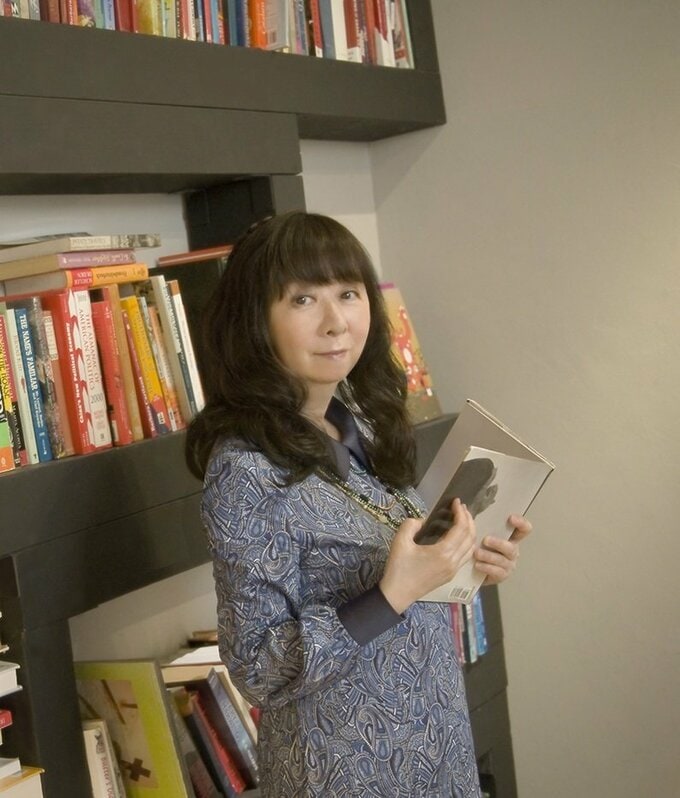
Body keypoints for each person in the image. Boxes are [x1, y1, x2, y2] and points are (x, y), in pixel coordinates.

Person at [186, 211, 533, 798]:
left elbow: (397, 566)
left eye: (348, 293)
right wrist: (391, 594)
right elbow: (259, 668)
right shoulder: (244, 468)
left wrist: (467, 561)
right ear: (254, 320)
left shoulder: (359, 423)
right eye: (303, 300)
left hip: (434, 745)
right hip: (343, 770)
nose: (336, 322)